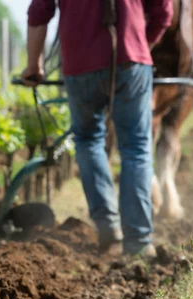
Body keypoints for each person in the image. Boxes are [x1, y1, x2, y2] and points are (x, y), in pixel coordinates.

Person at [22, 0, 173, 256]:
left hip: (80, 64)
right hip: (131, 61)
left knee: (88, 140)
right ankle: (138, 241)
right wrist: (139, 45)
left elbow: (38, 13)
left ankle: (109, 229)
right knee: (136, 147)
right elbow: (164, 12)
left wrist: (34, 65)